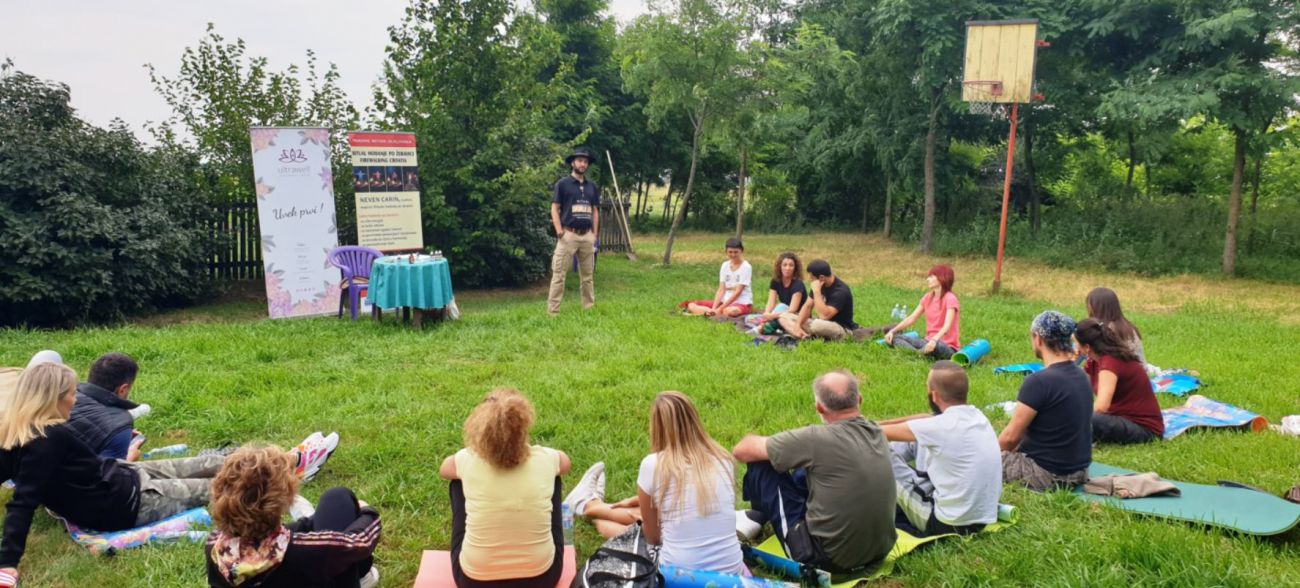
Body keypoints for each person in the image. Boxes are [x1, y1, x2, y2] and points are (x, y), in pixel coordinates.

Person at [0, 363, 340, 584]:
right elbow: (22, 501)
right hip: (123, 501)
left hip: (124, 474)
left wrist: (127, 459)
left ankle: (290, 458)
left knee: (205, 461)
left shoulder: (17, 432)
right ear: (50, 398)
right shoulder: (45, 438)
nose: (76, 400)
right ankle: (293, 471)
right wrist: (8, 564)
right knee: (223, 486)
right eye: (71, 394)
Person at [732, 370, 895, 576]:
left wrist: (781, 442)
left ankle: (757, 517)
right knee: (804, 467)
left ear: (819, 407)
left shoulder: (814, 438)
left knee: (762, 465)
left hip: (824, 562)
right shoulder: (876, 432)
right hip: (879, 553)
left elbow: (742, 450)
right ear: (859, 400)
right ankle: (759, 517)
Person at [565, 392, 745, 575]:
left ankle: (590, 508)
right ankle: (589, 505)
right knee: (663, 519)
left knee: (638, 533)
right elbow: (691, 498)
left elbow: (653, 536)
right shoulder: (724, 459)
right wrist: (637, 501)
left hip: (677, 575)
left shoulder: (653, 464)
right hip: (732, 573)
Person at [440, 389, 572, 587]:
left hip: (473, 582)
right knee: (554, 476)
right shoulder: (545, 458)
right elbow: (565, 463)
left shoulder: (468, 459)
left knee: (457, 480)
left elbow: (444, 469)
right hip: (543, 579)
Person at [206, 446, 381, 588]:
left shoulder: (214, 546)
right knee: (339, 498)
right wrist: (367, 511)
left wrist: (308, 523)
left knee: (334, 499)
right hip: (316, 568)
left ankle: (309, 518)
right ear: (281, 500)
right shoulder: (306, 550)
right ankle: (363, 578)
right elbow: (360, 542)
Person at [878, 362, 1001, 537]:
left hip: (945, 522)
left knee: (880, 450)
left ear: (934, 395)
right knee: (915, 441)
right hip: (981, 517)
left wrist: (864, 425)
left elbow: (874, 434)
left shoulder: (940, 428)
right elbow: (926, 419)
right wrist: (878, 422)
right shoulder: (977, 416)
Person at [998, 311, 1093, 491]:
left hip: (1048, 475)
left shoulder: (1039, 381)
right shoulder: (1082, 375)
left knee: (977, 458)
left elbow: (1009, 439)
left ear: (1039, 339)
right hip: (1080, 471)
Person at [1075, 318, 1164, 444]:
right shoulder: (1094, 362)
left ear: (1087, 347)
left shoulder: (1110, 363)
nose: (1074, 347)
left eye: (1076, 343)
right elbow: (1078, 389)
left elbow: (1101, 407)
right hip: (1118, 418)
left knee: (1088, 420)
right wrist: (1071, 363)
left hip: (1143, 429)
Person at [67, 352, 150, 461]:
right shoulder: (120, 424)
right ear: (123, 389)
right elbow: (111, 476)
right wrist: (129, 460)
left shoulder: (66, 400)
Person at [547, 148, 600, 315]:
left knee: (588, 277)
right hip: (568, 235)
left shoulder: (592, 187)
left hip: (587, 237)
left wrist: (594, 234)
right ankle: (553, 312)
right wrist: (559, 231)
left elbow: (595, 211)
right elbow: (554, 208)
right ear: (573, 163)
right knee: (558, 276)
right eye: (580, 160)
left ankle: (588, 309)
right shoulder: (562, 184)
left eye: (585, 161)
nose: (583, 164)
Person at [884, 265, 961, 360]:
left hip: (945, 346)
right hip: (927, 342)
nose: (928, 279)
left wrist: (934, 340)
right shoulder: (927, 297)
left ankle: (915, 354)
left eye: (932, 277)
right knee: (896, 338)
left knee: (937, 346)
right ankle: (919, 354)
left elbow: (947, 326)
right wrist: (892, 331)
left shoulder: (950, 298)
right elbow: (911, 318)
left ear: (942, 278)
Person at [778, 260, 857, 341]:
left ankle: (799, 334)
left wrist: (816, 291)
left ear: (821, 278)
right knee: (783, 316)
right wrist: (798, 324)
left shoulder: (840, 291)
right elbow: (807, 306)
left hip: (841, 328)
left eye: (812, 277)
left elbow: (824, 316)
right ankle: (802, 335)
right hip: (818, 322)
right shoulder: (819, 284)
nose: (810, 280)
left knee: (817, 325)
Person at [684, 239, 754, 318]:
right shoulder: (725, 265)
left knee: (730, 311)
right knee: (691, 305)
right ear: (726, 252)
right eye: (730, 252)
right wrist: (714, 308)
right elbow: (721, 289)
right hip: (724, 301)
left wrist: (720, 308)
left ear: (741, 251)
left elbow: (738, 292)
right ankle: (712, 313)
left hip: (741, 303)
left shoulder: (746, 267)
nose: (733, 255)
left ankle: (708, 313)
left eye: (736, 252)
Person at [759, 252, 805, 325]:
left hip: (797, 315)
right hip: (783, 312)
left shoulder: (798, 284)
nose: (787, 268)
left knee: (781, 306)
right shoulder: (775, 281)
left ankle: (764, 326)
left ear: (795, 268)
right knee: (776, 308)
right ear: (780, 266)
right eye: (784, 265)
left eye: (791, 265)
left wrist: (772, 316)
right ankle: (765, 324)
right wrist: (767, 313)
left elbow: (792, 309)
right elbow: (771, 302)